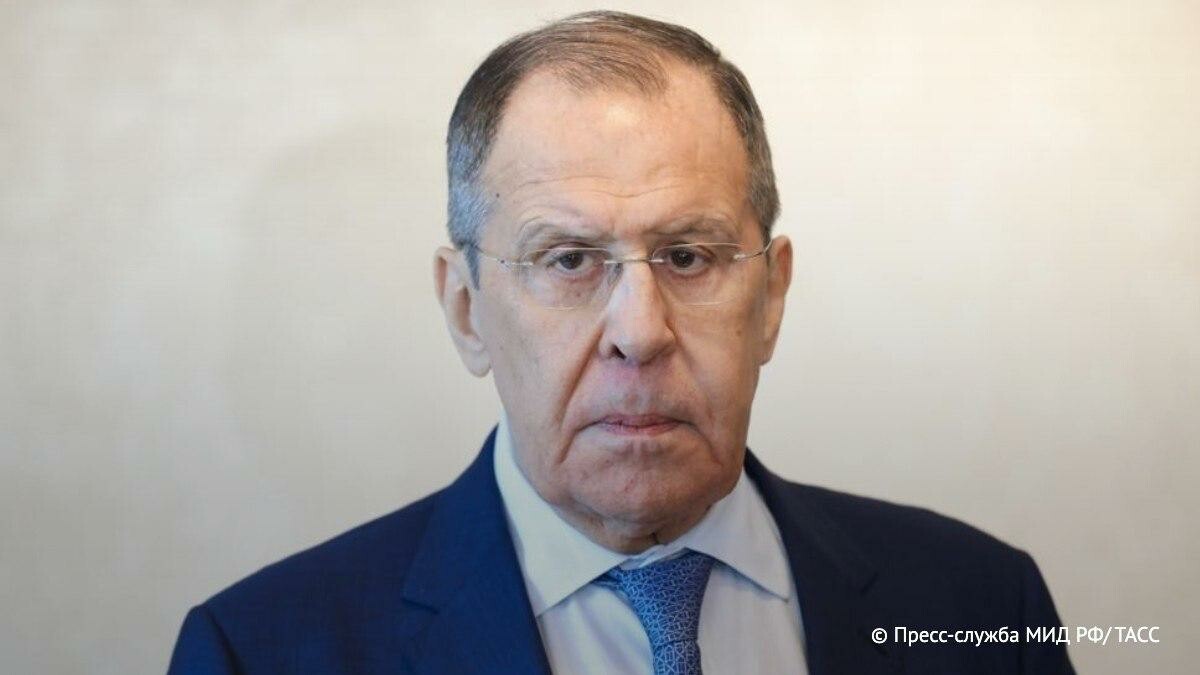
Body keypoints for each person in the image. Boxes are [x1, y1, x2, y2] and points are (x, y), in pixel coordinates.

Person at [167, 10, 1074, 674]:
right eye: (568, 260)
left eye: (689, 255)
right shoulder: (260, 651)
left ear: (770, 297)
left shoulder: (985, 607)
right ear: (467, 310)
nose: (640, 332)